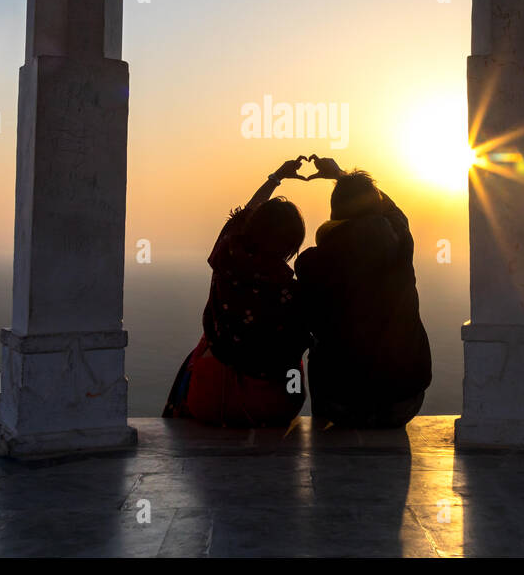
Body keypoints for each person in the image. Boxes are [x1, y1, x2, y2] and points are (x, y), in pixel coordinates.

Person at [162, 158, 310, 427]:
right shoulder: (291, 290)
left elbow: (245, 214)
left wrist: (276, 178)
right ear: (292, 244)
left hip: (209, 400)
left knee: (207, 344)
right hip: (274, 408)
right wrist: (340, 177)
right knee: (293, 361)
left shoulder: (226, 255)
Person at [294, 155, 432, 428]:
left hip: (343, 405)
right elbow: (393, 210)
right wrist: (341, 175)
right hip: (403, 402)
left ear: (335, 212)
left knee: (319, 345)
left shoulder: (311, 263)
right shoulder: (400, 239)